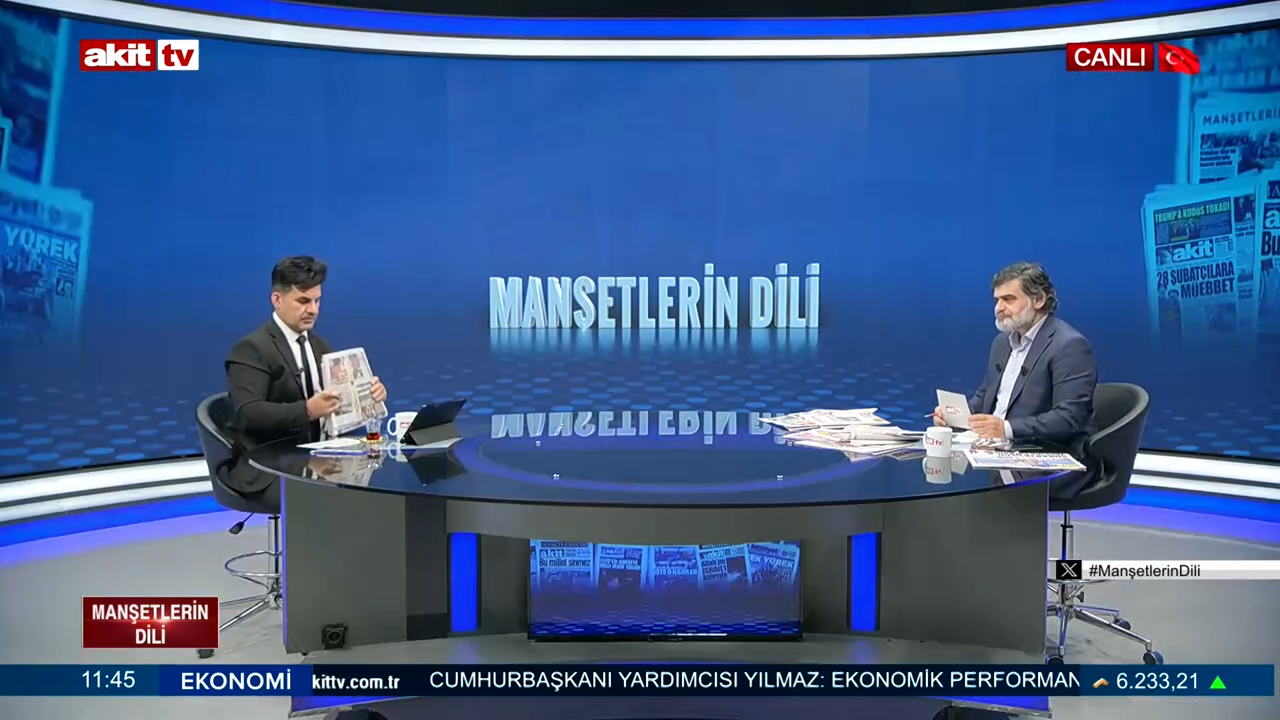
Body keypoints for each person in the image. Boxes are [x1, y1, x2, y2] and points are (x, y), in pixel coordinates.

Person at [224, 256, 387, 503]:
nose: (313, 310)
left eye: (317, 301)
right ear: (277, 300)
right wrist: (308, 410)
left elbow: (337, 409)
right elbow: (249, 413)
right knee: (335, 498)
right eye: (303, 301)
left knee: (373, 485)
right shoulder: (251, 349)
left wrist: (368, 396)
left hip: (318, 457)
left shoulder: (321, 347)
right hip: (267, 466)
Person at [936, 262, 1097, 499]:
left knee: (978, 493)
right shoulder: (1002, 343)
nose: (999, 308)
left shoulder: (1068, 345)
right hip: (999, 451)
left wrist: (1006, 429)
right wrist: (955, 416)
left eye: (1008, 299)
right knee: (944, 472)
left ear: (1038, 299)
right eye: (997, 300)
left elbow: (1068, 418)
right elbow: (985, 396)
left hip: (1049, 455)